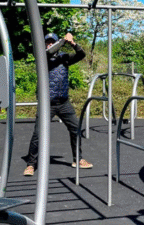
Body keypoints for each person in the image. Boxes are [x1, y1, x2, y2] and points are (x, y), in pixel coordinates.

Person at [22, 32, 93, 176]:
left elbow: (81, 55)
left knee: (75, 129)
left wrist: (72, 43)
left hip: (63, 102)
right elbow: (49, 52)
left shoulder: (64, 58)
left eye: (51, 42)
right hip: (47, 103)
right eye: (47, 42)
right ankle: (31, 164)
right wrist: (62, 40)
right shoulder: (42, 57)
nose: (49, 44)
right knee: (38, 134)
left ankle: (78, 159)